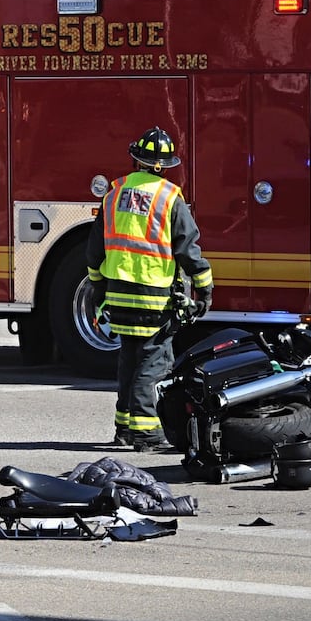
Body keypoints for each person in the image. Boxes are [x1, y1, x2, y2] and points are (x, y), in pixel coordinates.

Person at [86, 127, 214, 452]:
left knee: (129, 360)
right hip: (153, 299)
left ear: (136, 160)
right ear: (164, 165)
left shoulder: (114, 192)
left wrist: (98, 292)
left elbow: (94, 251)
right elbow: (188, 249)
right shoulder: (170, 197)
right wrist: (205, 289)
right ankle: (145, 432)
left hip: (118, 296)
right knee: (154, 362)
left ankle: (125, 428)